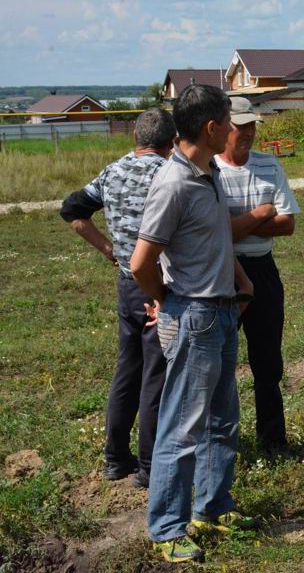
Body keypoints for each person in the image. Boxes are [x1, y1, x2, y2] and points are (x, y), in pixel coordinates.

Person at [131, 84, 257, 564]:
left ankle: (213, 507)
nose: (233, 127)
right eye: (228, 120)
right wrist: (171, 301)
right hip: (197, 316)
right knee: (182, 427)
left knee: (223, 420)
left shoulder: (208, 173)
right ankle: (166, 528)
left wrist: (241, 281)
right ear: (211, 128)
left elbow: (216, 239)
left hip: (223, 311)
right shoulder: (174, 183)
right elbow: (143, 262)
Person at [59, 108, 175, 489]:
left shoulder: (113, 170)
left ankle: (115, 458)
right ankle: (148, 466)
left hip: (126, 282)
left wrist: (108, 248)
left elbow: (73, 212)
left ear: (135, 139)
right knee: (155, 376)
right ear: (171, 142)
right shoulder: (167, 174)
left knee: (128, 369)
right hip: (158, 284)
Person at [215, 97, 300, 455]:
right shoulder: (209, 170)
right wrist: (261, 214)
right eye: (240, 126)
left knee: (268, 360)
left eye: (252, 125)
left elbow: (288, 224)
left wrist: (236, 225)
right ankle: (221, 442)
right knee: (219, 361)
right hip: (222, 274)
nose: (248, 133)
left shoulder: (270, 164)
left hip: (263, 270)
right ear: (222, 127)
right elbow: (214, 236)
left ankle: (272, 438)